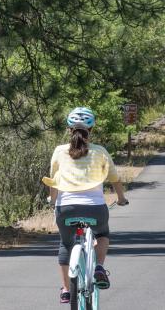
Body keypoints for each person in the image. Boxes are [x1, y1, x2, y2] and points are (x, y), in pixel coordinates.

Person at [42, 107, 129, 304]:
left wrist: (53, 201)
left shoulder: (59, 151)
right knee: (102, 235)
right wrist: (121, 198)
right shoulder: (100, 151)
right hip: (95, 208)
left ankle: (66, 289)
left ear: (68, 128)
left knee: (66, 244)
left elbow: (54, 181)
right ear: (92, 129)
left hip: (66, 209)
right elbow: (115, 179)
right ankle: (98, 267)